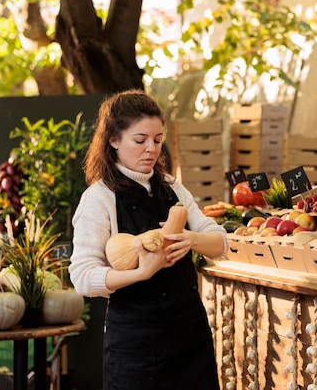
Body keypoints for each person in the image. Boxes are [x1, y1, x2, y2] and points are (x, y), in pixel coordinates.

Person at [69, 89, 227, 390]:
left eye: (158, 140)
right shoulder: (99, 198)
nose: (151, 149)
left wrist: (191, 238)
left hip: (189, 337)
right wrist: (141, 272)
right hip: (134, 345)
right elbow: (82, 275)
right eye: (140, 140)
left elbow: (219, 240)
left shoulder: (173, 187)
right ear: (114, 140)